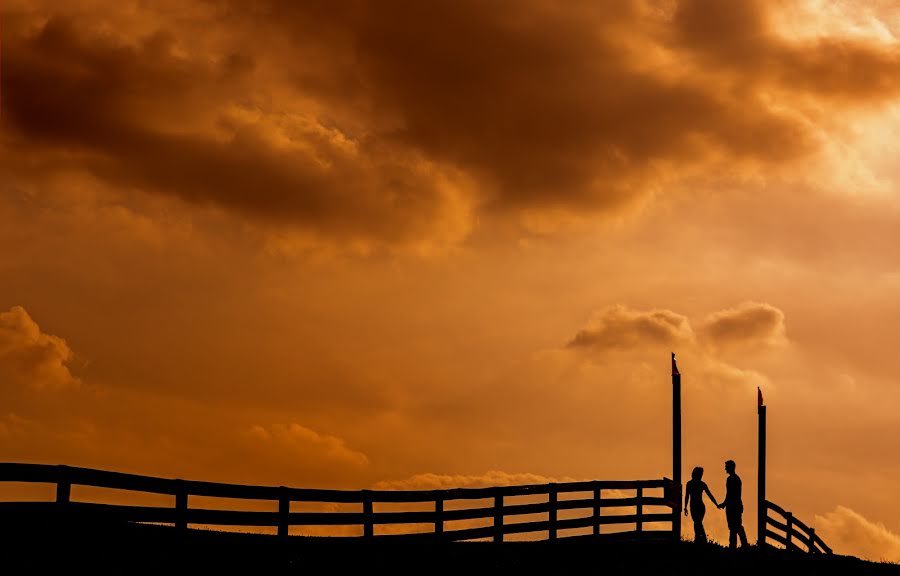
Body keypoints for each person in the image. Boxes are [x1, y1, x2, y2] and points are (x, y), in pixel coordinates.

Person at [717, 459, 749, 549]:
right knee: (735, 526)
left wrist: (724, 503)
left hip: (733, 506)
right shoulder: (736, 478)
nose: (725, 469)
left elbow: (730, 494)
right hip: (736, 505)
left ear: (731, 467)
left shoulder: (731, 479)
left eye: (726, 467)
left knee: (735, 526)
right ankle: (739, 545)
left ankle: (738, 545)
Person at [684, 466, 718, 544]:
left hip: (699, 506)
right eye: (700, 474)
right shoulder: (690, 484)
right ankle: (700, 540)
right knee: (697, 523)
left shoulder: (700, 484)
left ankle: (701, 540)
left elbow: (709, 494)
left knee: (697, 523)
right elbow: (687, 496)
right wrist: (685, 507)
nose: (701, 475)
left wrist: (716, 503)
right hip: (693, 506)